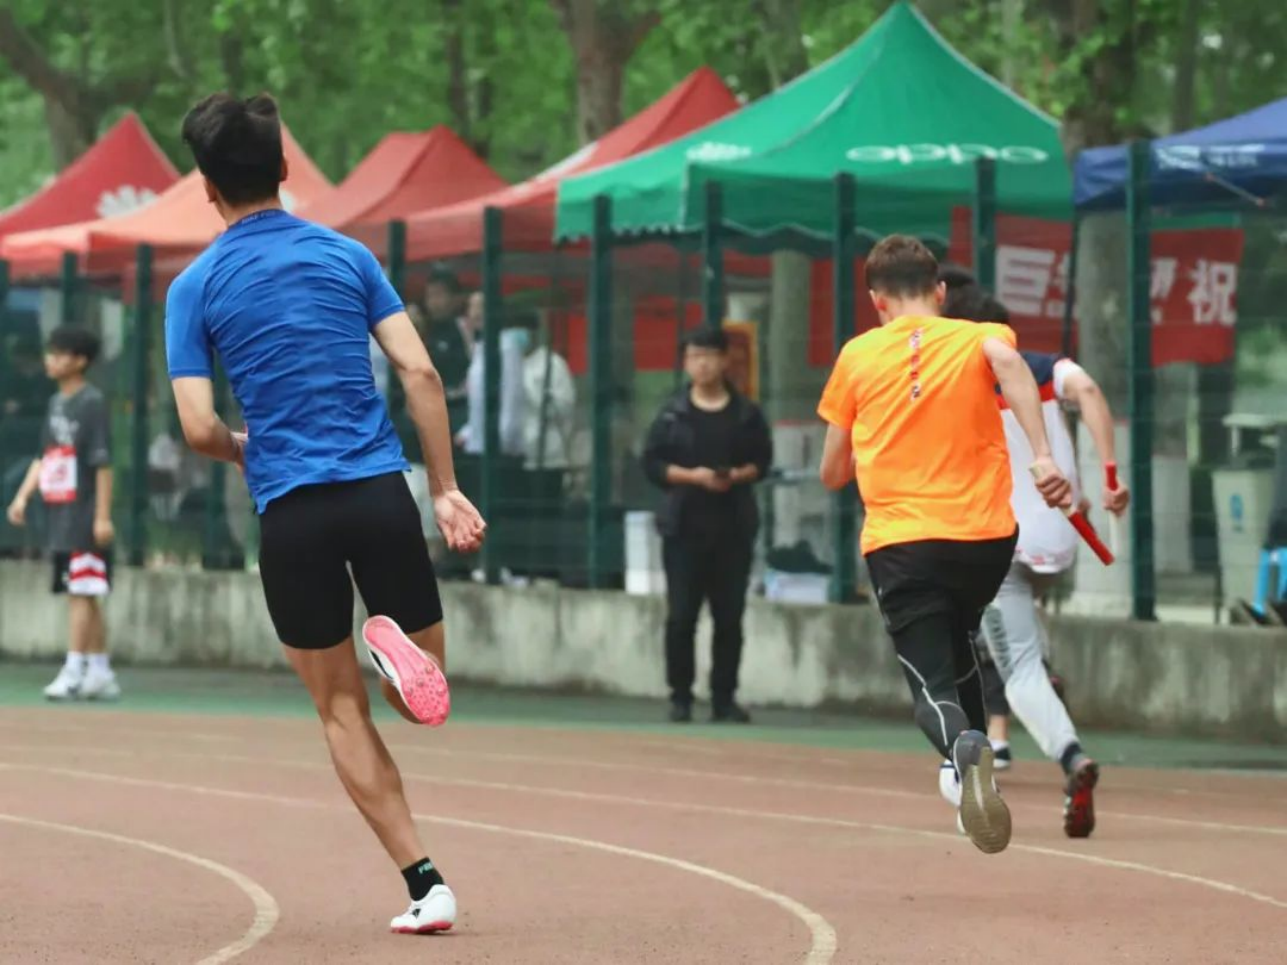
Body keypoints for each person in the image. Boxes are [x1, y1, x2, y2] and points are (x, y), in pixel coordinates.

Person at [164, 92, 485, 935]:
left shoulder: (194, 286)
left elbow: (197, 426)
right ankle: (396, 650)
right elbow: (420, 374)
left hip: (291, 513)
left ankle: (426, 884)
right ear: (283, 169)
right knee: (425, 691)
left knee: (339, 710)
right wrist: (444, 488)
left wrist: (244, 446)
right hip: (379, 493)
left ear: (206, 185)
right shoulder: (348, 256)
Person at [817, 235, 1071, 854]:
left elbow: (832, 471)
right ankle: (973, 790)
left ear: (877, 300)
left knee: (930, 680)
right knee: (958, 642)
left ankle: (960, 753)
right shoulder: (981, 337)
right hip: (985, 540)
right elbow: (1011, 366)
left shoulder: (857, 355)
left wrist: (871, 443)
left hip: (903, 542)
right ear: (938, 292)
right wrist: (1042, 455)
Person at [939, 281, 1130, 838]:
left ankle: (1072, 756)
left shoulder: (956, 382)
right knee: (1018, 633)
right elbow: (1088, 390)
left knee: (1014, 667)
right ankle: (1042, 668)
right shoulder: (1042, 368)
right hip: (1061, 535)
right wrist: (1110, 476)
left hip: (997, 541)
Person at [643, 327, 772, 724]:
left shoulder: (746, 414)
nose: (702, 364)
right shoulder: (672, 414)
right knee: (682, 616)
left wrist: (735, 475)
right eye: (695, 356)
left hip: (733, 528)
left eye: (710, 355)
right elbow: (652, 464)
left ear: (724, 359)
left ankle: (724, 698)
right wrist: (693, 477)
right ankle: (680, 696)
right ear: (686, 362)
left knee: (729, 618)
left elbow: (762, 462)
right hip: (683, 529)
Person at [6, 326, 120, 701]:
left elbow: (103, 463)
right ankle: (100, 670)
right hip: (61, 511)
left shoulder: (92, 403)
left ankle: (74, 670)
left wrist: (102, 516)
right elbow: (46, 455)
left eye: (59, 354)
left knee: (80, 592)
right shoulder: (56, 403)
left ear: (80, 361)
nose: (50, 360)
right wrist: (23, 496)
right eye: (50, 353)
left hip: (84, 515)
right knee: (86, 591)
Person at [422, 266, 473, 434]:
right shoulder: (424, 331)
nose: (434, 303)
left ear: (455, 298)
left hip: (461, 408)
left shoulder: (466, 329)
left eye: (439, 295)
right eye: (430, 296)